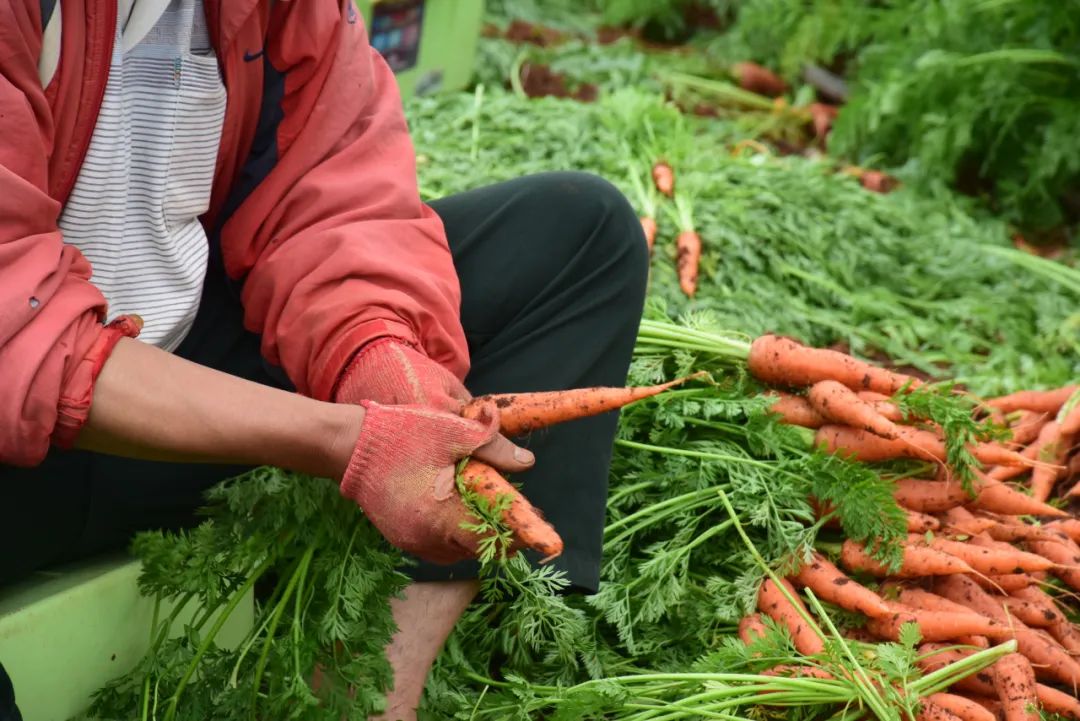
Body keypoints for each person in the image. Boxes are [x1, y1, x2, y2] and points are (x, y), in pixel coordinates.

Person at [0, 1, 647, 719]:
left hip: (181, 394)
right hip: (17, 448)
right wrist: (345, 440)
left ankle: (367, 696)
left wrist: (382, 357)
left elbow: (329, 195)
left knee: (578, 237)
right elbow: (15, 331)